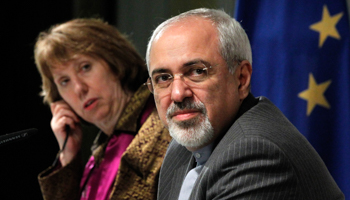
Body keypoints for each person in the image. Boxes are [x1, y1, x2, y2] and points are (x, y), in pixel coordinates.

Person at [145, 8, 344, 200]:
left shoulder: (256, 153)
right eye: (163, 78)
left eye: (197, 72)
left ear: (241, 78)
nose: (178, 94)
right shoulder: (181, 146)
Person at [34, 18, 171, 200]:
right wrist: (67, 158)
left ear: (114, 61)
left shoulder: (162, 122)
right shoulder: (100, 153)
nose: (79, 89)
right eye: (64, 81)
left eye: (85, 67)